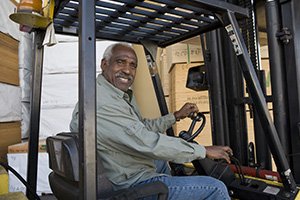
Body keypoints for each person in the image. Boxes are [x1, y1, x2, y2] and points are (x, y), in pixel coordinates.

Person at [70, 42, 233, 199]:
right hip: (130, 185)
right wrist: (202, 151)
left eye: (133, 65)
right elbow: (145, 141)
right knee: (215, 188)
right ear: (104, 64)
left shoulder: (113, 94)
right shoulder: (104, 103)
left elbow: (141, 128)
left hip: (124, 167)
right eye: (120, 62)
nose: (127, 70)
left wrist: (175, 116)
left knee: (161, 160)